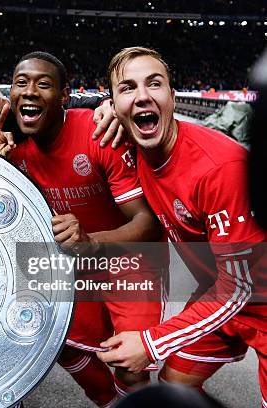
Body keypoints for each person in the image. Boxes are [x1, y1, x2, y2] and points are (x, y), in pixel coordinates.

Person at [0, 51, 166, 407]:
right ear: (10, 93)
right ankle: (110, 401)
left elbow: (147, 223)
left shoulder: (98, 132)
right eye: (21, 83)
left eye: (43, 84)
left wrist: (91, 241)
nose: (30, 91)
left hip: (127, 261)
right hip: (71, 267)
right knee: (57, 343)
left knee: (129, 363)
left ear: (64, 96)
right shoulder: (9, 150)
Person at [97, 46, 266, 406]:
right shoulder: (134, 141)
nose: (142, 95)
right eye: (127, 88)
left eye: (154, 84)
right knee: (175, 384)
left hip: (257, 298)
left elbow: (238, 288)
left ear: (173, 98)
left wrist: (150, 342)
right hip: (219, 290)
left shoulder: (220, 168)